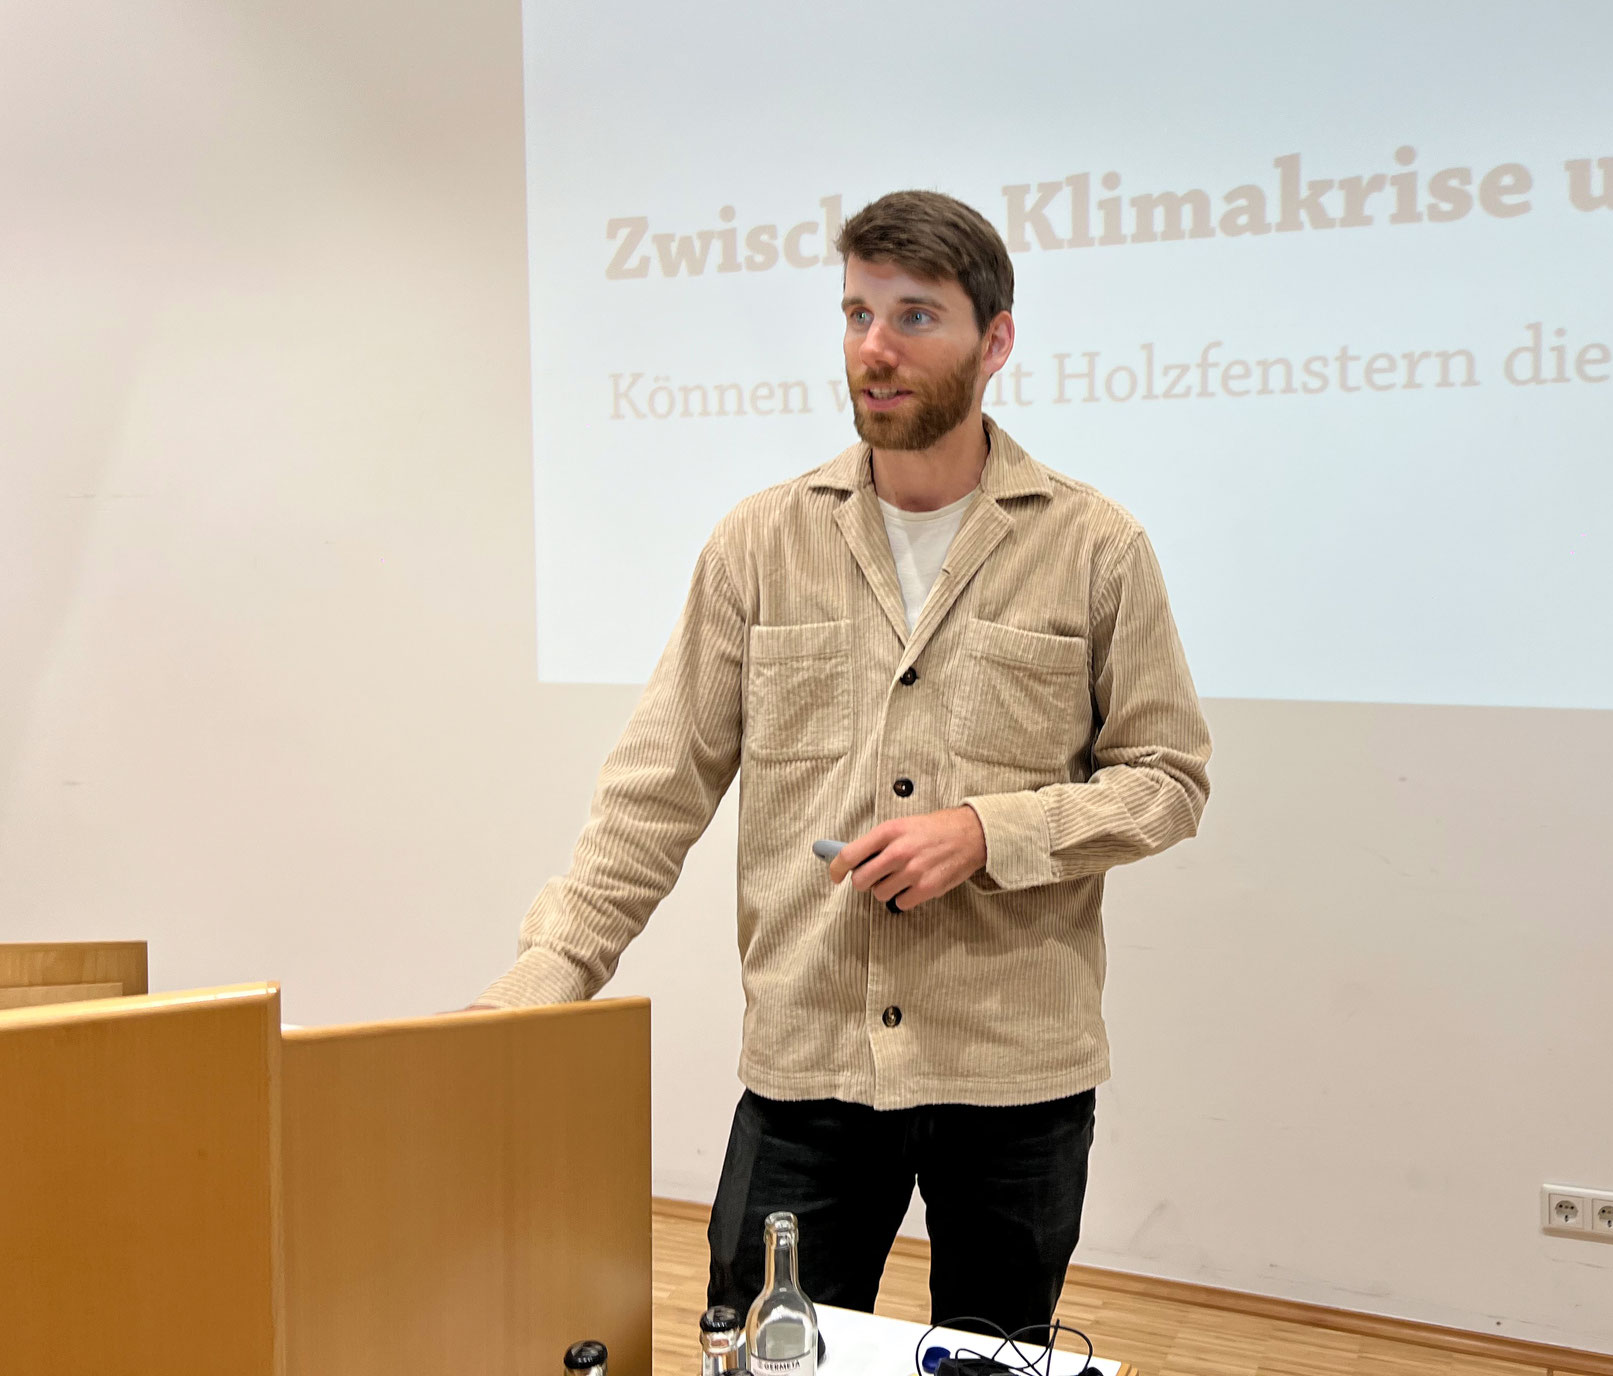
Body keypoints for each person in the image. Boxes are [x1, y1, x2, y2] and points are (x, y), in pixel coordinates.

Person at [474, 189, 1210, 1329]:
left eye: (915, 316)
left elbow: (1167, 778)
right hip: (808, 1060)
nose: (875, 347)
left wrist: (988, 832)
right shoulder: (761, 542)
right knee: (764, 1353)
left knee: (995, 1361)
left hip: (1014, 1070)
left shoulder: (1094, 547)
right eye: (858, 314)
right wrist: (552, 972)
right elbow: (656, 786)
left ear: (996, 341)